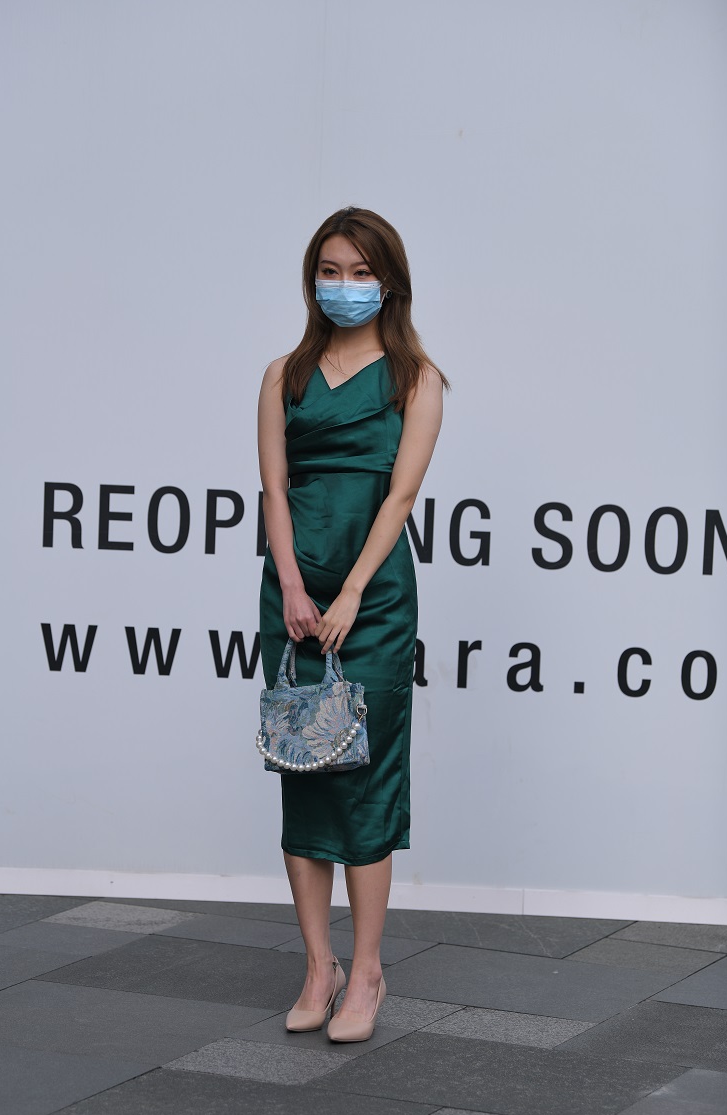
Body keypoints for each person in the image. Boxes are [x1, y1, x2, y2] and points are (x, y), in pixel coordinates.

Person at [257, 206, 448, 1042]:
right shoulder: (284, 375)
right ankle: (318, 965)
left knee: (366, 775)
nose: (345, 286)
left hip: (373, 601)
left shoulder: (416, 379)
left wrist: (351, 594)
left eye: (362, 272)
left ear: (390, 282)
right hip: (294, 600)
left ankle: (367, 971)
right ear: (313, 281)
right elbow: (274, 489)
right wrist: (294, 588)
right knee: (303, 765)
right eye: (331, 271)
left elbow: (401, 498)